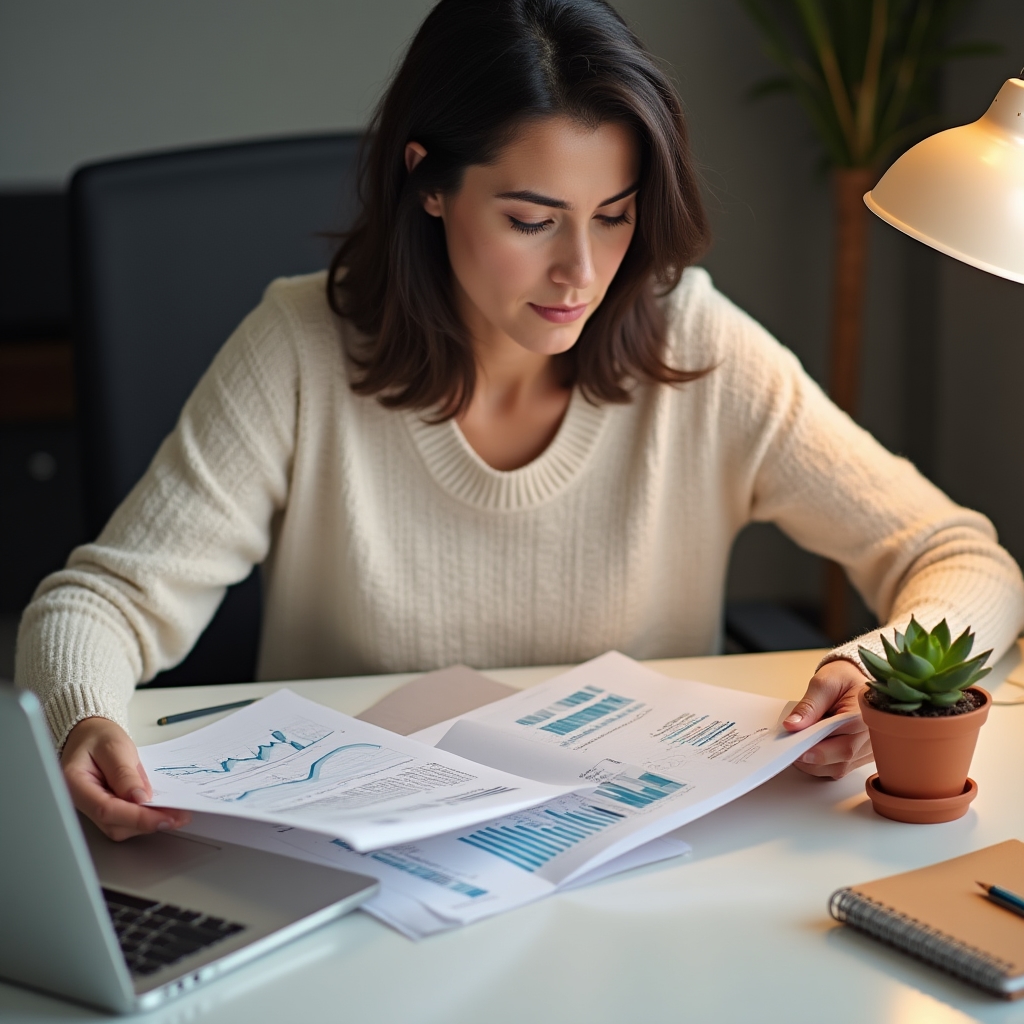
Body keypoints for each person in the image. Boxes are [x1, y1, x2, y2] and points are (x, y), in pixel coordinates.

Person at [16, 0, 1024, 842]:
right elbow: (94, 604)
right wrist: (85, 715)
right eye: (532, 219)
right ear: (431, 185)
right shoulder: (300, 346)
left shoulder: (694, 343)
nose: (580, 273)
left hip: (619, 867)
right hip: (355, 873)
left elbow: (964, 559)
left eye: (615, 214)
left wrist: (870, 666)